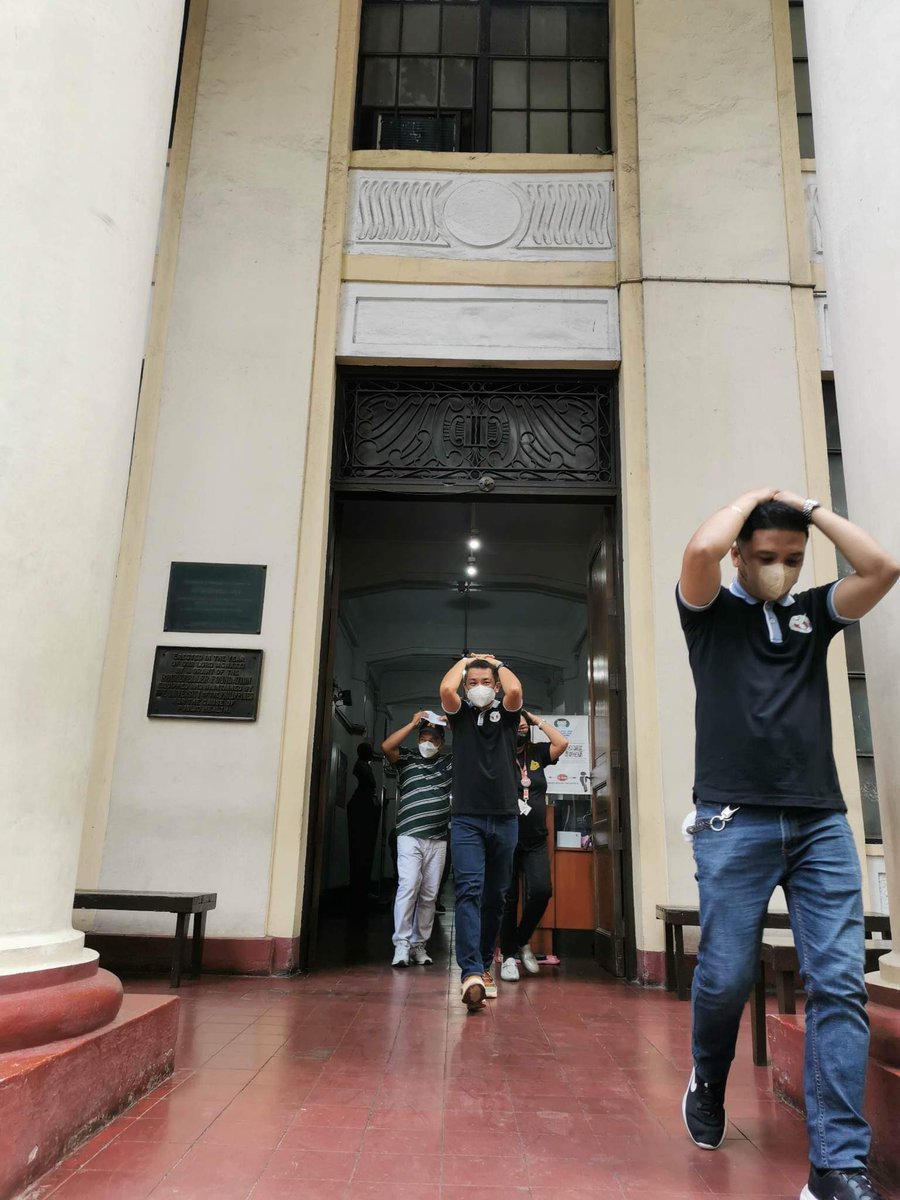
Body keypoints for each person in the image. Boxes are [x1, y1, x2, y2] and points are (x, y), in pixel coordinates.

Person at [677, 488, 898, 1200]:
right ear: (743, 552)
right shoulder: (709, 614)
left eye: (793, 560)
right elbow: (701, 552)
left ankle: (837, 1165)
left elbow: (883, 567)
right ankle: (709, 1075)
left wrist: (807, 508)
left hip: (820, 821)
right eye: (766, 557)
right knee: (725, 975)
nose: (780, 570)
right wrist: (754, 501)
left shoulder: (812, 615)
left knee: (838, 985)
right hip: (732, 819)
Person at [440, 654, 523, 1012]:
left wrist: (496, 663)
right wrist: (466, 662)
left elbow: (516, 689)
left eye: (484, 683)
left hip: (505, 817)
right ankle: (471, 972)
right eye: (471, 683)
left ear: (496, 687)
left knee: (497, 896)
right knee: (469, 891)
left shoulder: (507, 715)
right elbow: (445, 687)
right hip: (467, 819)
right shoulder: (459, 717)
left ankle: (486, 962)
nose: (477, 688)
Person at [499, 710, 569, 982]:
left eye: (524, 724)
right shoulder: (499, 754)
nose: (521, 728)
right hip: (506, 838)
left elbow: (561, 743)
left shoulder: (538, 753)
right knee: (508, 899)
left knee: (542, 890)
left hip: (536, 839)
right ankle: (507, 956)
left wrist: (538, 720)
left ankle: (521, 939)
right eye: (516, 724)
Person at [381, 712, 452, 968]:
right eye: (423, 737)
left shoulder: (448, 763)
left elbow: (471, 750)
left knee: (429, 895)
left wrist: (456, 722)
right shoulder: (407, 758)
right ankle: (401, 945)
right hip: (409, 836)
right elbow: (387, 746)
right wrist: (411, 723)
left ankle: (418, 946)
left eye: (433, 739)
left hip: (438, 838)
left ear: (441, 743)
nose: (427, 742)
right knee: (408, 886)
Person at [346, 742, 380, 915]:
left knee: (365, 850)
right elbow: (372, 782)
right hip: (362, 808)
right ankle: (359, 889)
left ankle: (363, 888)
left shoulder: (364, 766)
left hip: (366, 807)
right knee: (360, 850)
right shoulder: (361, 767)